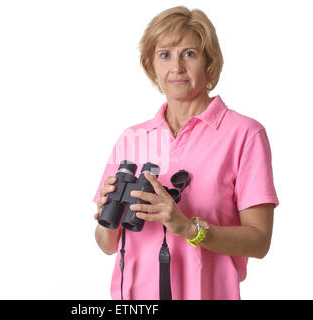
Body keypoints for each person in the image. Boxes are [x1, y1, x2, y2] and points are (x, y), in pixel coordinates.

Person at [92, 6, 279, 300]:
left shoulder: (244, 134)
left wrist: (189, 229)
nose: (176, 66)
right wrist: (107, 215)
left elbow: (259, 241)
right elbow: (106, 244)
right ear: (151, 65)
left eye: (189, 53)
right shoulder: (133, 138)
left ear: (210, 63)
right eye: (165, 54)